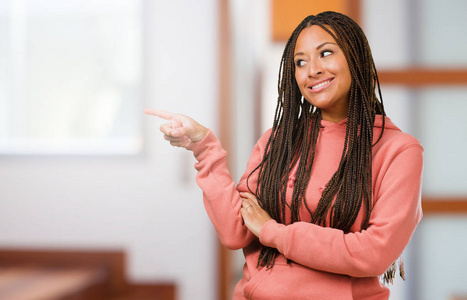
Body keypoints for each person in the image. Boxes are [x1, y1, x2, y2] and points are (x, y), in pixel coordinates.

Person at [145, 11, 423, 300]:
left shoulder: (399, 150)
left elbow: (373, 254)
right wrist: (203, 145)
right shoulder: (278, 140)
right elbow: (236, 233)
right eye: (300, 62)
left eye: (325, 53)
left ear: (357, 57)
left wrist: (273, 231)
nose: (312, 70)